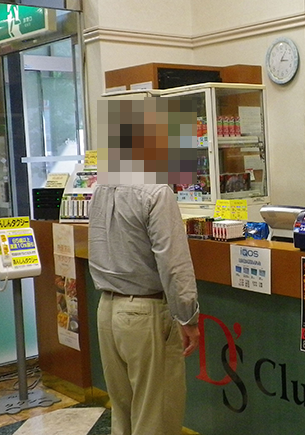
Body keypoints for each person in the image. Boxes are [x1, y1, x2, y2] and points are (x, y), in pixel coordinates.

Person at [89, 98, 199, 435]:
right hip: (145, 314)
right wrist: (188, 317)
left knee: (123, 412)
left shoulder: (101, 188)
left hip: (107, 310)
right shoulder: (157, 192)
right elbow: (173, 263)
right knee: (156, 416)